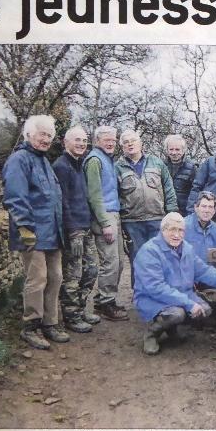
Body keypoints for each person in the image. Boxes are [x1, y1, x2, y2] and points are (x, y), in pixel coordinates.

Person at [2, 115, 69, 350]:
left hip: (52, 233)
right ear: (29, 134)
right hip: (33, 233)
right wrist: (26, 230)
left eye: (50, 136)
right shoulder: (19, 160)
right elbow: (15, 198)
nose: (46, 139)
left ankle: (50, 323)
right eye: (42, 134)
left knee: (55, 278)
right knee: (37, 279)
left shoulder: (43, 161)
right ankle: (31, 326)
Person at [132, 213, 216, 355]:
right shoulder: (149, 252)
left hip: (182, 294)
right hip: (152, 298)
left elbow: (202, 270)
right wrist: (189, 304)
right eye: (172, 229)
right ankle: (152, 334)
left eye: (180, 230)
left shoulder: (186, 248)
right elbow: (156, 288)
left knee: (206, 310)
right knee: (177, 314)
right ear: (162, 230)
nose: (177, 235)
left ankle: (171, 329)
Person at [52, 126, 102, 333]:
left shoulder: (79, 164)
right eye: (77, 140)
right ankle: (71, 316)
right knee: (73, 274)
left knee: (91, 270)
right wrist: (72, 229)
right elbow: (61, 201)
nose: (81, 144)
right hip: (73, 230)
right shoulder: (61, 166)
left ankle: (81, 310)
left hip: (85, 226)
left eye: (84, 140)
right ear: (65, 142)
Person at [83, 125, 129, 321]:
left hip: (114, 214)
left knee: (118, 262)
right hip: (105, 217)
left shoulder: (107, 160)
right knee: (110, 262)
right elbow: (94, 196)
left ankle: (107, 298)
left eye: (113, 139)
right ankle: (104, 303)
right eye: (106, 139)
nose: (111, 143)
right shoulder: (94, 160)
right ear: (97, 141)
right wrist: (104, 223)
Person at [116, 129, 178, 262]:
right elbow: (114, 196)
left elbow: (169, 189)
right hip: (132, 223)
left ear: (141, 143)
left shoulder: (156, 162)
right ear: (122, 147)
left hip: (157, 220)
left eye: (133, 141)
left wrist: (171, 214)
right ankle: (138, 284)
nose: (130, 144)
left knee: (160, 259)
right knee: (138, 260)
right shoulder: (118, 167)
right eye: (126, 142)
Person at [183, 192, 216, 264]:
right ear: (196, 208)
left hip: (209, 272)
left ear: (215, 210)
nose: (207, 210)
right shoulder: (183, 226)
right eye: (203, 206)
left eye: (210, 207)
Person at [163, 134, 197, 217]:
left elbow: (196, 191)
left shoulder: (193, 168)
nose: (174, 153)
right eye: (171, 149)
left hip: (185, 213)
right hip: (164, 212)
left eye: (177, 149)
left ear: (183, 150)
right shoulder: (161, 166)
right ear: (167, 150)